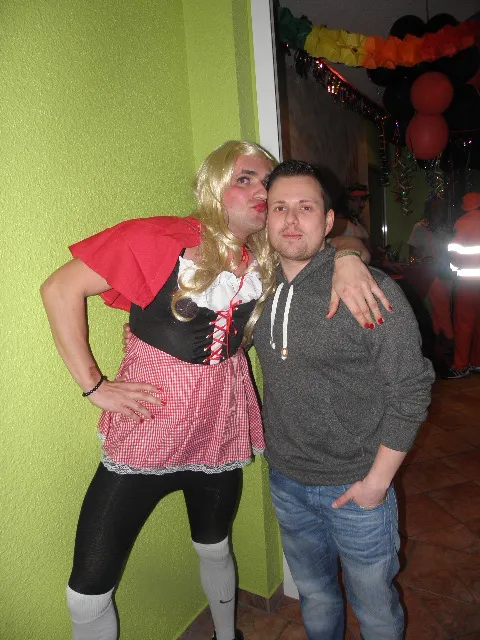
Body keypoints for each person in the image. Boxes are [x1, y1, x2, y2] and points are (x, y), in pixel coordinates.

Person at [40, 141, 390, 640]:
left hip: (220, 426)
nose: (260, 191)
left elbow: (340, 238)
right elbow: (59, 289)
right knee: (89, 586)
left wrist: (350, 257)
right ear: (215, 184)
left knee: (215, 545)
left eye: (267, 183)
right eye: (244, 178)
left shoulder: (267, 257)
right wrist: (94, 385)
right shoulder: (160, 237)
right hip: (151, 424)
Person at [253, 160, 434, 640]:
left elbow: (411, 387)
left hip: (356, 488)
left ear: (329, 220)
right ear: (266, 218)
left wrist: (377, 483)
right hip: (287, 482)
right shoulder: (260, 289)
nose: (292, 220)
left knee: (375, 612)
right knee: (315, 597)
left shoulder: (367, 290)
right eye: (279, 208)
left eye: (306, 207)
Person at [407, 198, 454, 346]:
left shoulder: (447, 228)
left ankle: (437, 339)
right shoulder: (420, 227)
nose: (441, 211)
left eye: (442, 208)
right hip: (431, 273)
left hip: (448, 272)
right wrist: (424, 259)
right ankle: (451, 339)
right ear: (429, 210)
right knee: (442, 308)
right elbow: (412, 251)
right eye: (437, 208)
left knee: (437, 309)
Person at [445, 192, 480, 379]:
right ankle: (477, 362)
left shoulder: (462, 222)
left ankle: (461, 365)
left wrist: (453, 272)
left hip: (466, 283)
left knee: (464, 325)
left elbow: (454, 253)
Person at [329, 183, 370, 247]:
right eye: (358, 200)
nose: (363, 205)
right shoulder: (339, 222)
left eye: (364, 200)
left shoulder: (355, 220)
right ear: (347, 201)